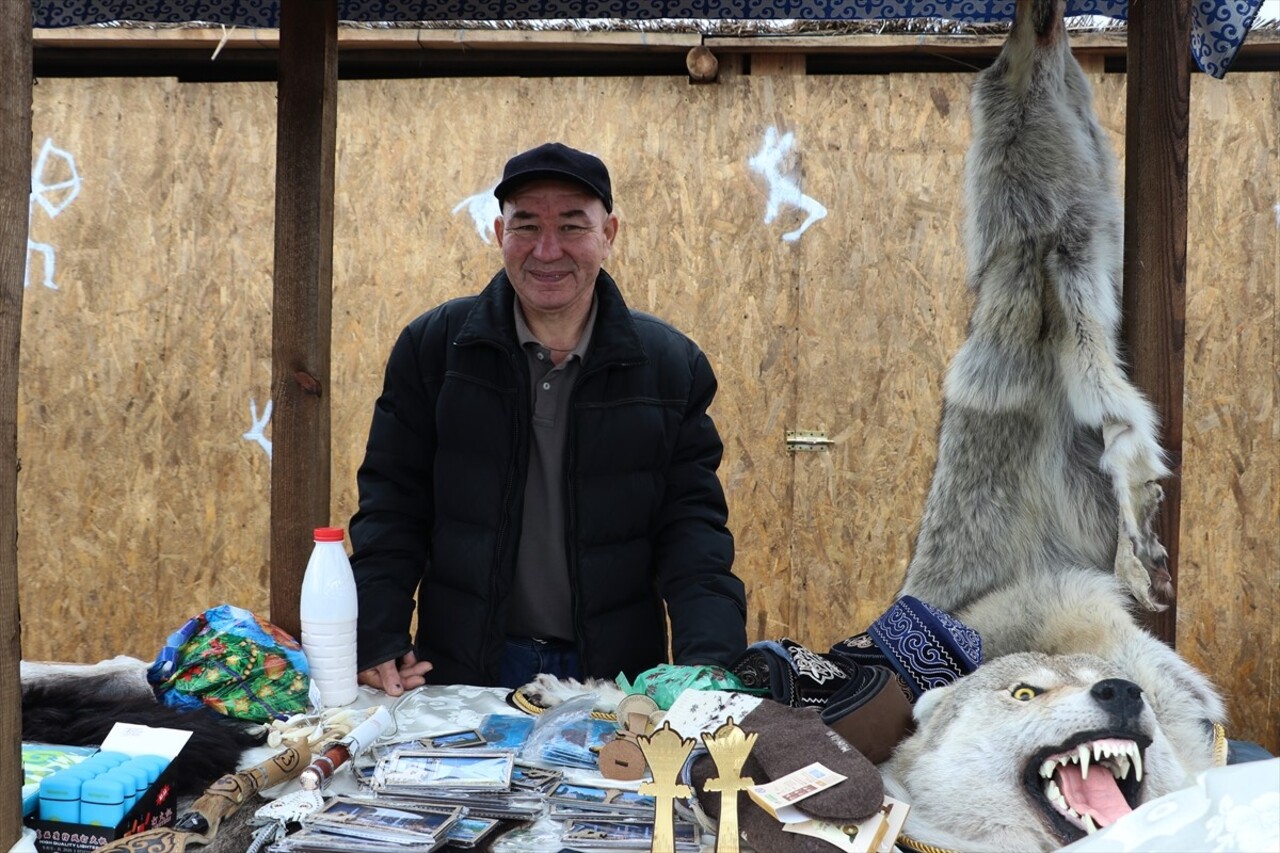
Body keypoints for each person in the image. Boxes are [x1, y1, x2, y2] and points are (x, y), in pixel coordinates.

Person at [349, 142, 748, 695]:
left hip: (615, 677)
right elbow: (393, 506)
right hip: (463, 671)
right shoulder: (435, 348)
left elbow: (692, 532)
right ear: (498, 234)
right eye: (527, 225)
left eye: (571, 226)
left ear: (608, 234)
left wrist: (711, 664)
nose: (548, 250)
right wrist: (375, 632)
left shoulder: (669, 366)